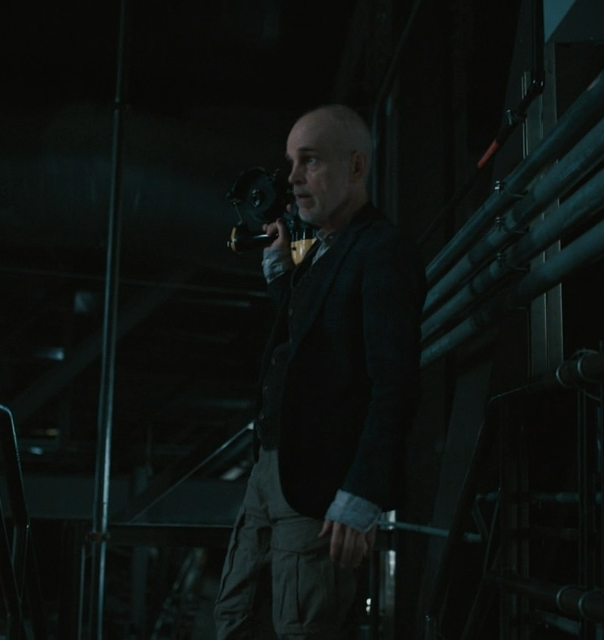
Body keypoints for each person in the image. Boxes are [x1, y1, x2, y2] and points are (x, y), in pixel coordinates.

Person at [214, 105, 423, 639]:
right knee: (236, 617)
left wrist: (362, 493)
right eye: (291, 163)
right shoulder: (325, 252)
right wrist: (280, 270)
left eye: (309, 161)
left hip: (317, 483)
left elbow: (394, 383)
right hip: (273, 470)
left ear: (355, 166)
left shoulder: (381, 249)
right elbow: (306, 338)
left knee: (305, 625)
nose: (293, 179)